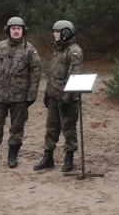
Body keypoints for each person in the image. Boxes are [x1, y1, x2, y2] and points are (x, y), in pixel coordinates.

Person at [0, 16, 41, 168]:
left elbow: (36, 73)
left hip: (19, 97)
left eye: (18, 29)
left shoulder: (30, 50)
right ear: (8, 30)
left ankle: (12, 156)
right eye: (13, 28)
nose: (15, 31)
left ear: (23, 30)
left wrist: (31, 95)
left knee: (17, 127)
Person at [34, 20, 83, 172]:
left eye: (57, 31)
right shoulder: (58, 50)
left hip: (68, 100)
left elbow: (74, 76)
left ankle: (69, 158)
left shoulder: (73, 52)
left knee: (69, 129)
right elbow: (53, 75)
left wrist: (67, 98)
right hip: (54, 97)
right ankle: (48, 156)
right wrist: (47, 94)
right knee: (51, 128)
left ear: (65, 33)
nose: (54, 34)